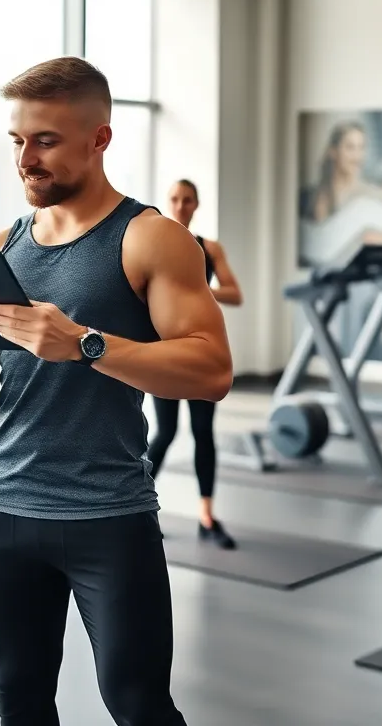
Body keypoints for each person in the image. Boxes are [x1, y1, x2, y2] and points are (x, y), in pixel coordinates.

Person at [0, 56, 232, 725]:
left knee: (140, 706)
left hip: (109, 516)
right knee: (19, 703)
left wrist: (84, 344)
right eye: (17, 141)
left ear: (100, 138)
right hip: (3, 510)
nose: (26, 160)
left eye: (45, 141)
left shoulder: (151, 239)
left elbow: (212, 371)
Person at [145, 178, 242, 549]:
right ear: (167, 202)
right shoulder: (157, 244)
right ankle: (138, 509)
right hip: (166, 352)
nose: (180, 205)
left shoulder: (209, 248)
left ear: (196, 204)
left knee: (203, 432)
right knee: (165, 433)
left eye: (187, 200)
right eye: (174, 199)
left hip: (200, 351)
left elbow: (235, 293)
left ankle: (207, 516)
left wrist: (199, 289)